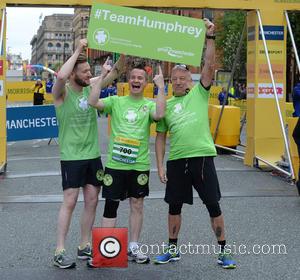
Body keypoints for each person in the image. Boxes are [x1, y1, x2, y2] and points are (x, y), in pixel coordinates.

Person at [154, 18, 236, 269]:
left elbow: (209, 65)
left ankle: (223, 252)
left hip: (201, 157)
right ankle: (172, 249)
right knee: (174, 206)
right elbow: (160, 137)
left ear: (191, 80)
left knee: (213, 204)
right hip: (177, 160)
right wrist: (159, 166)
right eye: (174, 79)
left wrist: (210, 37)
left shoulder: (200, 93)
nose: (178, 81)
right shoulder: (165, 105)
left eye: (182, 78)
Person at [52, 38, 125, 269]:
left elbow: (114, 73)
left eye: (89, 71)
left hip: (92, 155)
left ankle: (84, 245)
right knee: (70, 201)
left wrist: (127, 51)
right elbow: (61, 76)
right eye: (84, 71)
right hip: (71, 156)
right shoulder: (61, 93)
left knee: (92, 200)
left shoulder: (89, 86)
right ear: (74, 73)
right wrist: (79, 49)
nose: (88, 74)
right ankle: (59, 250)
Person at [88, 62, 166, 265]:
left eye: (140, 78)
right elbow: (92, 101)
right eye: (133, 77)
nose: (136, 80)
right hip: (116, 165)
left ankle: (133, 247)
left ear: (146, 83)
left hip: (139, 165)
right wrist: (104, 74)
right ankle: (106, 251)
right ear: (127, 81)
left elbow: (160, 115)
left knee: (137, 205)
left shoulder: (149, 104)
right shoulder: (116, 101)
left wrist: (162, 87)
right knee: (111, 206)